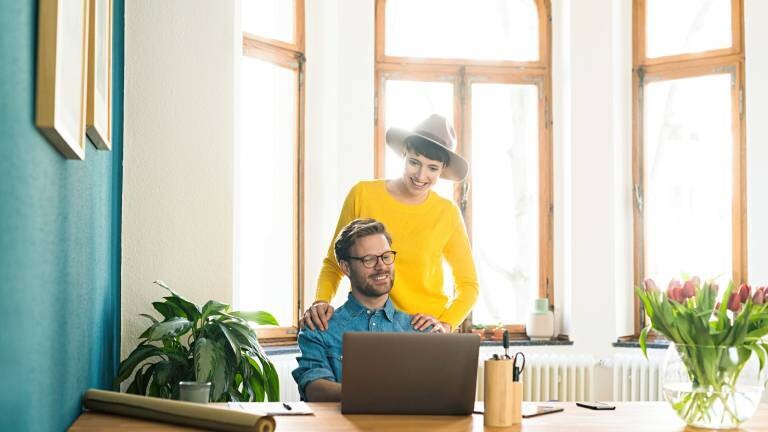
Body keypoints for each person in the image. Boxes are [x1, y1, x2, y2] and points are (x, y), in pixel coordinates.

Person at [302, 114, 479, 334]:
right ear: (404, 154)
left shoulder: (447, 213)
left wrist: (445, 324)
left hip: (423, 332)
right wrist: (321, 301)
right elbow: (334, 263)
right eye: (414, 162)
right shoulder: (363, 195)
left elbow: (469, 285)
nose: (421, 175)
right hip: (368, 325)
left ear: (442, 170)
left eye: (432, 168)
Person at [292, 218, 422, 402]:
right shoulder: (319, 329)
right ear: (346, 267)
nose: (381, 266)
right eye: (369, 259)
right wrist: (381, 395)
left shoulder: (421, 330)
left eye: (386, 257)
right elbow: (314, 388)